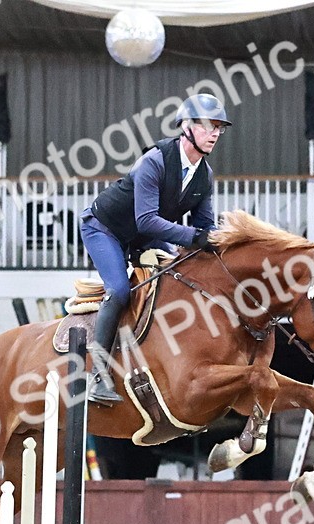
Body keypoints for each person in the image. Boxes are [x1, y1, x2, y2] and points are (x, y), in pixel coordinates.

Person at [79, 93, 231, 404]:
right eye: (209, 126)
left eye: (219, 128)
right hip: (105, 229)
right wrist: (194, 237)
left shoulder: (205, 174)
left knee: (177, 279)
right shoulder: (155, 161)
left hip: (143, 237)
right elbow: (147, 220)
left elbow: (204, 226)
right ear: (186, 127)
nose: (215, 133)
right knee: (120, 291)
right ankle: (97, 375)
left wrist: (220, 244)